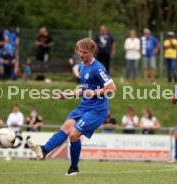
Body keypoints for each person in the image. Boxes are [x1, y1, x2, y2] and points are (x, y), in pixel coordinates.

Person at [27, 38, 116, 176]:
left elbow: (112, 88)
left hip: (97, 110)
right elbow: (84, 90)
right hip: (84, 106)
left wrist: (95, 92)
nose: (81, 55)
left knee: (74, 134)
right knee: (67, 126)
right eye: (79, 51)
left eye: (84, 52)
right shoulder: (81, 68)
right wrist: (67, 95)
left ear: (92, 51)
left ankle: (74, 167)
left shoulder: (98, 68)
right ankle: (44, 150)